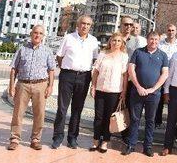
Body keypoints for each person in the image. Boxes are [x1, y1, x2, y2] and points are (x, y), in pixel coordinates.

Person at [52, 15, 99, 149]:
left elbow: (95, 59)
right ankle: (57, 137)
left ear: (91, 26)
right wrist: (67, 69)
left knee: (77, 109)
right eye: (83, 23)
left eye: (88, 24)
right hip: (67, 75)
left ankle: (72, 137)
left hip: (84, 77)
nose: (85, 26)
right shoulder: (68, 38)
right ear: (78, 25)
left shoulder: (94, 41)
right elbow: (59, 56)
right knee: (62, 108)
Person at [7, 25, 55, 151]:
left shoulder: (47, 51)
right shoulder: (22, 49)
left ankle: (35, 139)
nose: (37, 35)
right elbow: (14, 69)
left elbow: (51, 70)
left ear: (43, 36)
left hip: (40, 85)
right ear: (31, 33)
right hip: (23, 84)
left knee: (39, 113)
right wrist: (11, 86)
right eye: (35, 32)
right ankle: (15, 138)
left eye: (40, 33)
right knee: (18, 112)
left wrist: (50, 86)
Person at [123, 31, 169, 156]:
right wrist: (138, 86)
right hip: (137, 92)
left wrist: (153, 89)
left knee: (150, 120)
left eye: (156, 39)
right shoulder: (138, 52)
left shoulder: (163, 55)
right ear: (147, 40)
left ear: (158, 41)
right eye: (151, 39)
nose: (153, 42)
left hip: (153, 94)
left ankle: (147, 146)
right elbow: (131, 69)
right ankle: (131, 145)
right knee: (135, 119)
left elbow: (165, 74)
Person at [90, 32, 128, 153]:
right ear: (110, 41)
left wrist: (124, 91)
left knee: (108, 117)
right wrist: (93, 86)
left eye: (118, 41)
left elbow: (125, 75)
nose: (116, 43)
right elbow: (95, 71)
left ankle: (105, 141)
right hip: (101, 89)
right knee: (98, 117)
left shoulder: (124, 56)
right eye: (114, 40)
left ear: (122, 43)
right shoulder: (103, 54)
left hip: (115, 91)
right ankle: (96, 141)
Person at [157, 24, 177, 128]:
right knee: (159, 97)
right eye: (169, 30)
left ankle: (171, 122)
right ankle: (158, 120)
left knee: (172, 99)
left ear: (176, 32)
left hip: (174, 75)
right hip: (161, 74)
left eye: (173, 30)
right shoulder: (160, 44)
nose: (171, 32)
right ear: (166, 31)